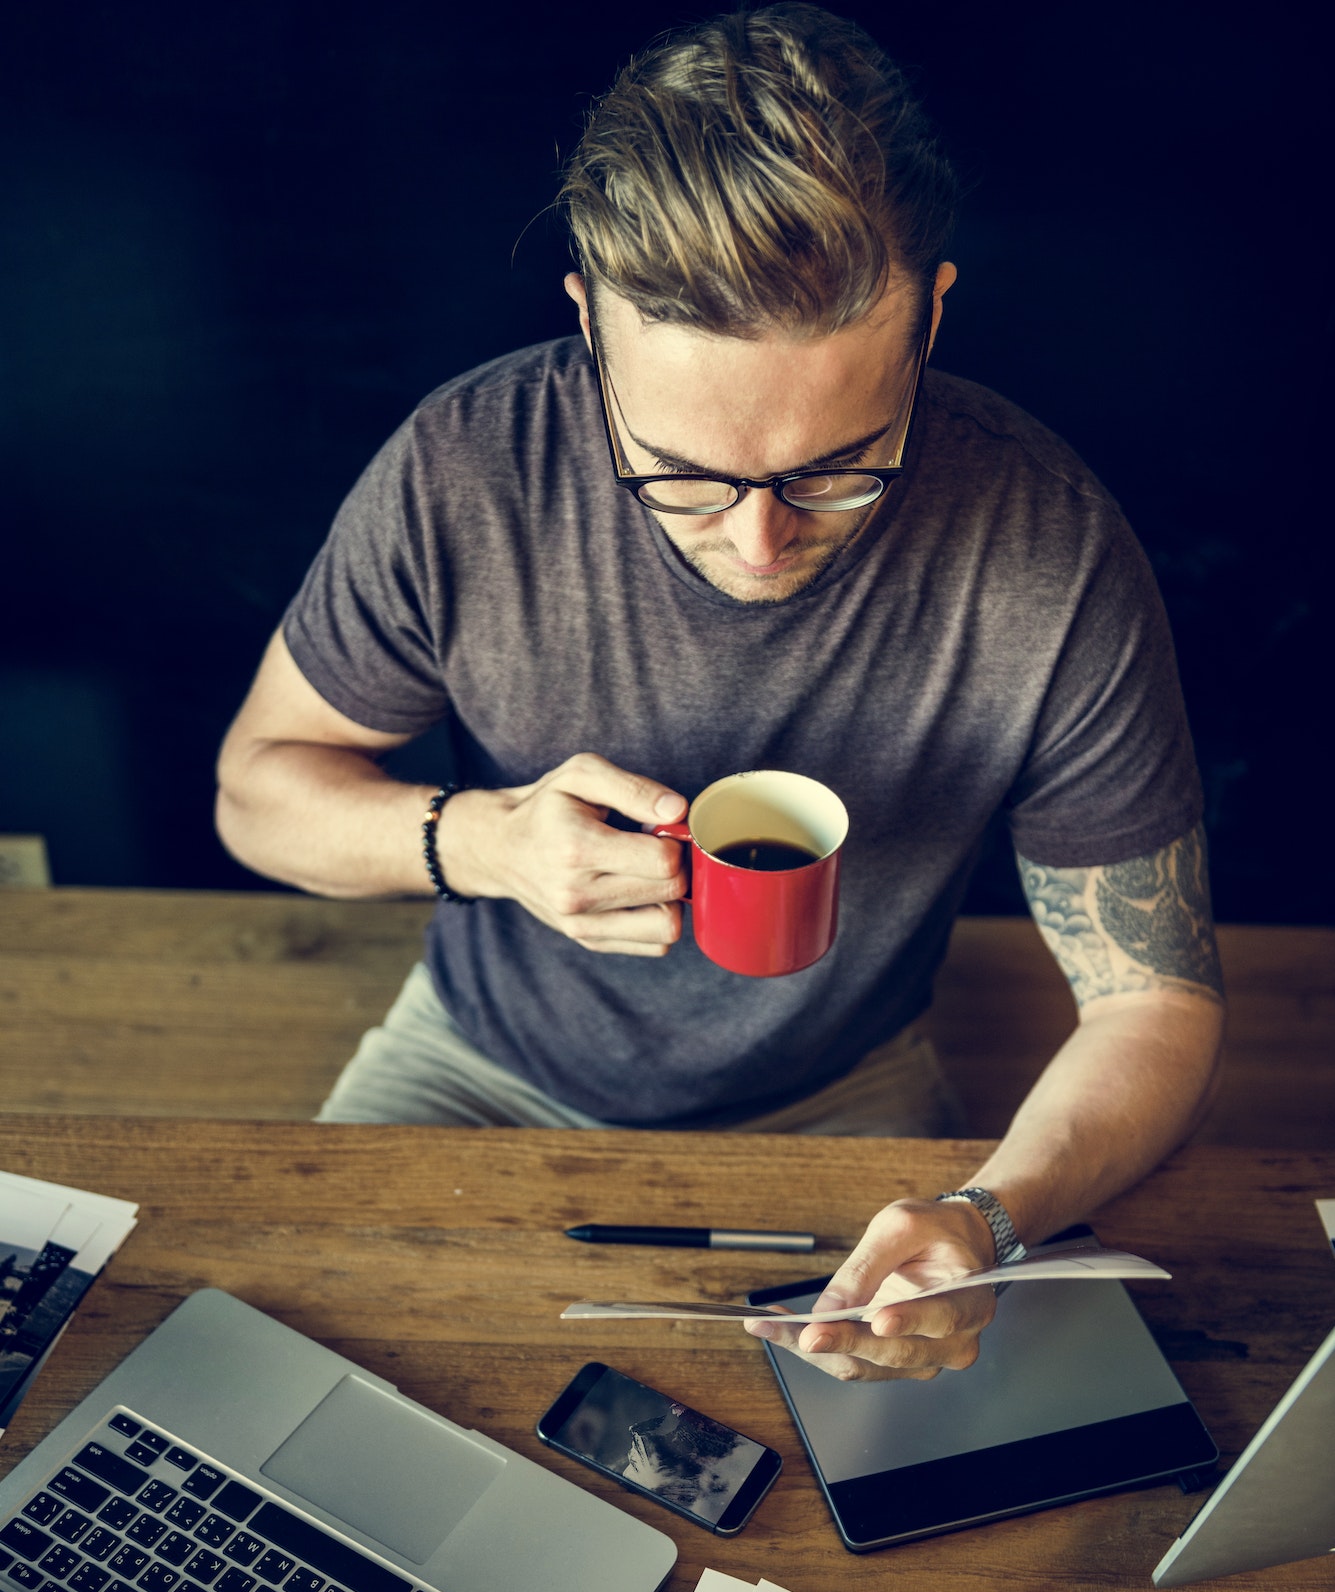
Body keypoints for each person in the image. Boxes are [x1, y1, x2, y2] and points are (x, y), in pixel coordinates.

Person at [215, 5, 1224, 1389]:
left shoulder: (1049, 546)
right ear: (586, 321)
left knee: (916, 1470)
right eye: (680, 471)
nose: (760, 542)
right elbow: (258, 791)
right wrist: (487, 843)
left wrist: (988, 1216)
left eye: (837, 464)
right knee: (276, 1388)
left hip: (850, 1093)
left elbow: (1154, 1001)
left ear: (930, 312)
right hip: (476, 1061)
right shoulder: (462, 469)